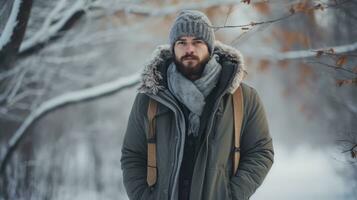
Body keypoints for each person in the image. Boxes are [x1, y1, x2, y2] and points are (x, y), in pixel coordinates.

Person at [121, 10, 274, 200]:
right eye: (182, 42)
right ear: (173, 48)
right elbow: (132, 154)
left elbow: (261, 151)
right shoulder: (151, 98)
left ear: (209, 47)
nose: (189, 49)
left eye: (197, 42)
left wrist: (231, 194)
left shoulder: (242, 97)